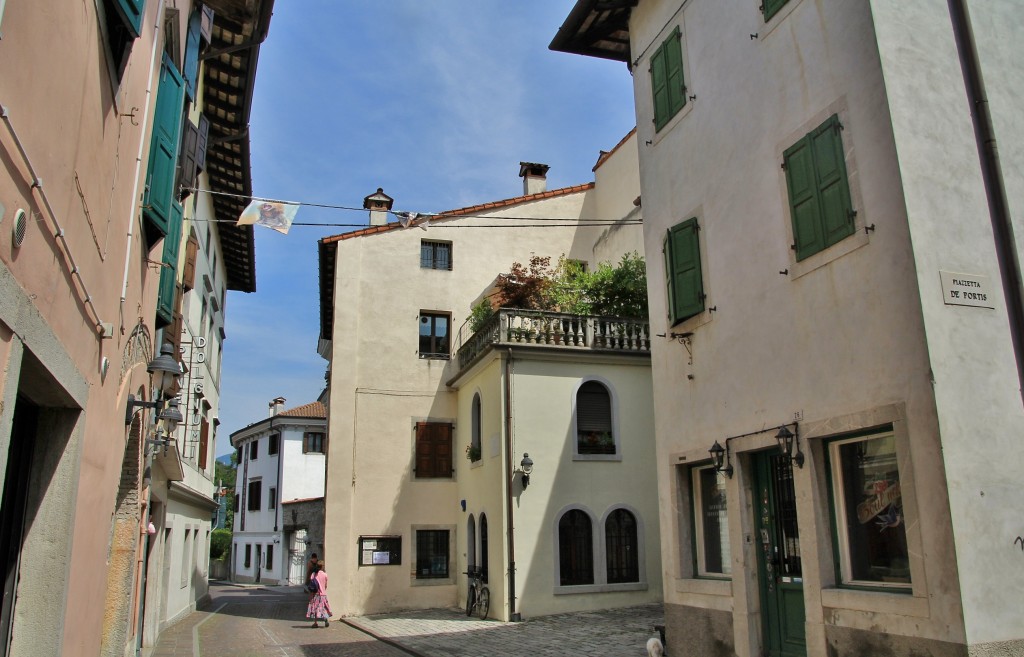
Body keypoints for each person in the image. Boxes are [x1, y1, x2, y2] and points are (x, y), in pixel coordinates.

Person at [306, 562, 331, 628]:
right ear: (322, 567)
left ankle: (315, 623)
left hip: (316, 594)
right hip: (323, 594)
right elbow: (325, 586)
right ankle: (325, 619)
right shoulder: (325, 575)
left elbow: (311, 584)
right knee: (323, 608)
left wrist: (311, 594)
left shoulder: (314, 574)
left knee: (315, 609)